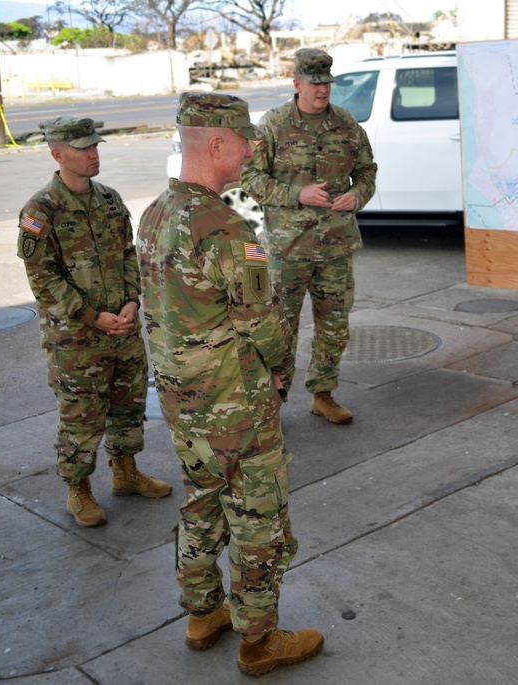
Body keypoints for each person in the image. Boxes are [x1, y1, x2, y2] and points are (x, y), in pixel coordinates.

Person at [136, 92, 323, 676]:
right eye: (244, 143)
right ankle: (259, 640)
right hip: (234, 403)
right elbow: (262, 322)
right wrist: (279, 372)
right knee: (258, 517)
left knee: (201, 502)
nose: (250, 153)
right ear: (216, 145)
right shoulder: (225, 223)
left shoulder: (156, 212)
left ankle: (201, 614)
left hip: (179, 398)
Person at [17, 115, 172, 529]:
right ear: (57, 154)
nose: (93, 154)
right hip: (77, 339)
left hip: (121, 328)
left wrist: (132, 302)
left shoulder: (109, 200)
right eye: (84, 148)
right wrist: (91, 317)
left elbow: (127, 254)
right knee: (81, 415)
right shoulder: (39, 210)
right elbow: (42, 276)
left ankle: (126, 472)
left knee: (128, 405)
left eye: (95, 146)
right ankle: (79, 490)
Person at [241, 47, 377, 425]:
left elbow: (367, 171)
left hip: (335, 247)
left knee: (334, 327)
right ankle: (273, 403)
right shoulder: (272, 125)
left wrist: (357, 196)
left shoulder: (346, 125)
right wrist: (294, 194)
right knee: (279, 330)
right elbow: (249, 177)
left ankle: (323, 394)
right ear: (297, 82)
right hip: (288, 249)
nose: (322, 90)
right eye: (314, 83)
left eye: (327, 83)